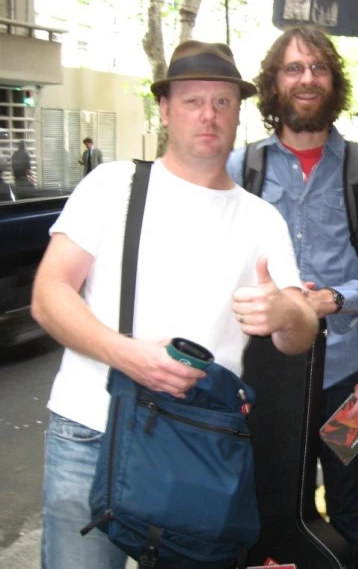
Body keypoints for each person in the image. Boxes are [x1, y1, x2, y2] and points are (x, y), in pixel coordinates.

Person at [32, 40, 318, 569]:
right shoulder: (112, 184)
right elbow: (49, 296)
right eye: (192, 101)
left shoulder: (262, 219)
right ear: (165, 109)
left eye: (223, 102)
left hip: (200, 444)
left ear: (238, 112)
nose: (208, 114)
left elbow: (300, 332)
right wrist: (126, 355)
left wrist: (286, 313)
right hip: (91, 429)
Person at [227, 26, 358, 569]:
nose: (306, 79)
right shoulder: (241, 168)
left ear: (333, 81)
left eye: (318, 68)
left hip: (346, 386)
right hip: (263, 383)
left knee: (350, 509)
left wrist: (328, 300)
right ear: (274, 84)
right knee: (268, 507)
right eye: (293, 69)